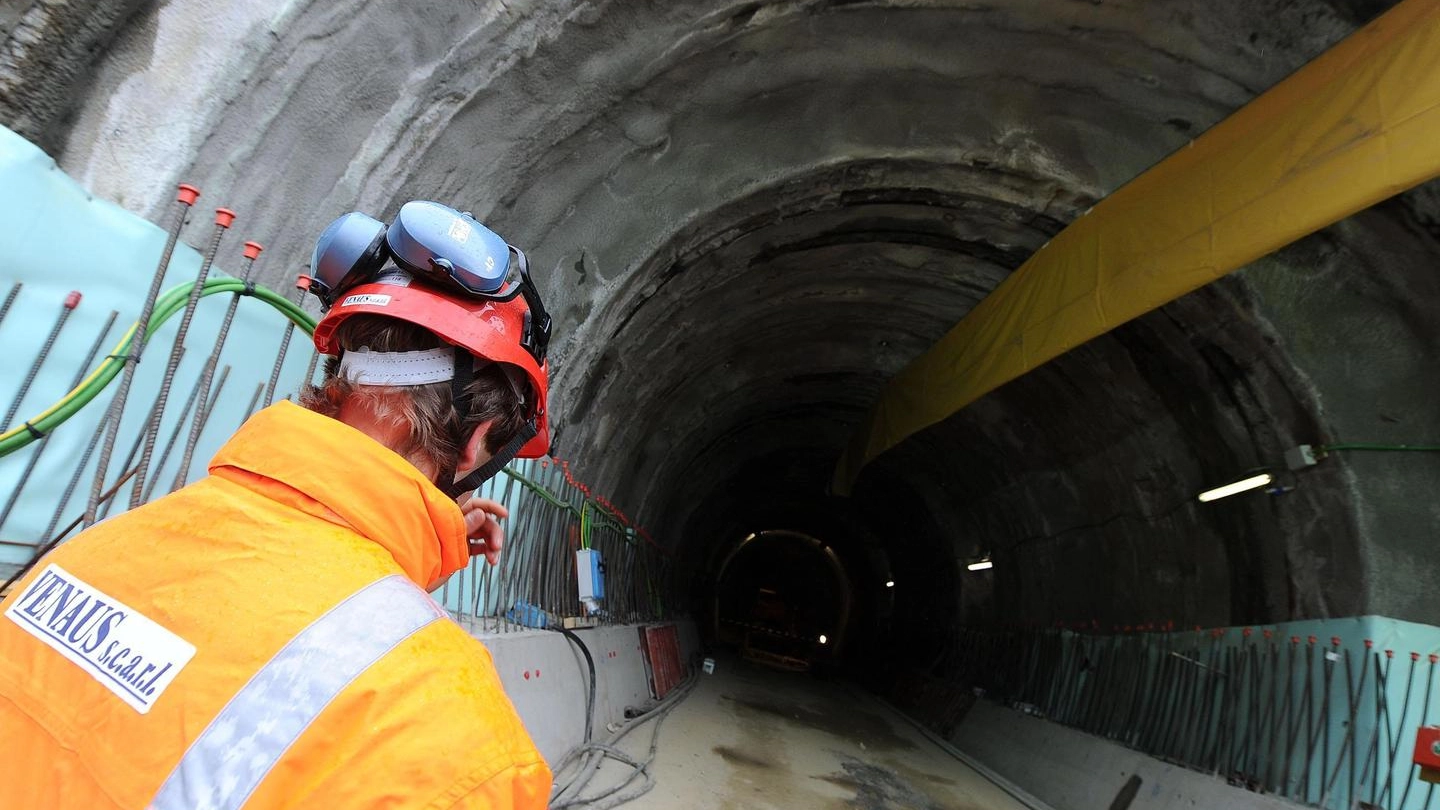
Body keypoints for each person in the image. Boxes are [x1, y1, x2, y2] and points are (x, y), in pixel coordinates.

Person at [0, 201, 555, 809]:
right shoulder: (464, 745)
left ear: (340, 379)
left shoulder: (95, 550)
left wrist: (423, 549)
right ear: (480, 441)